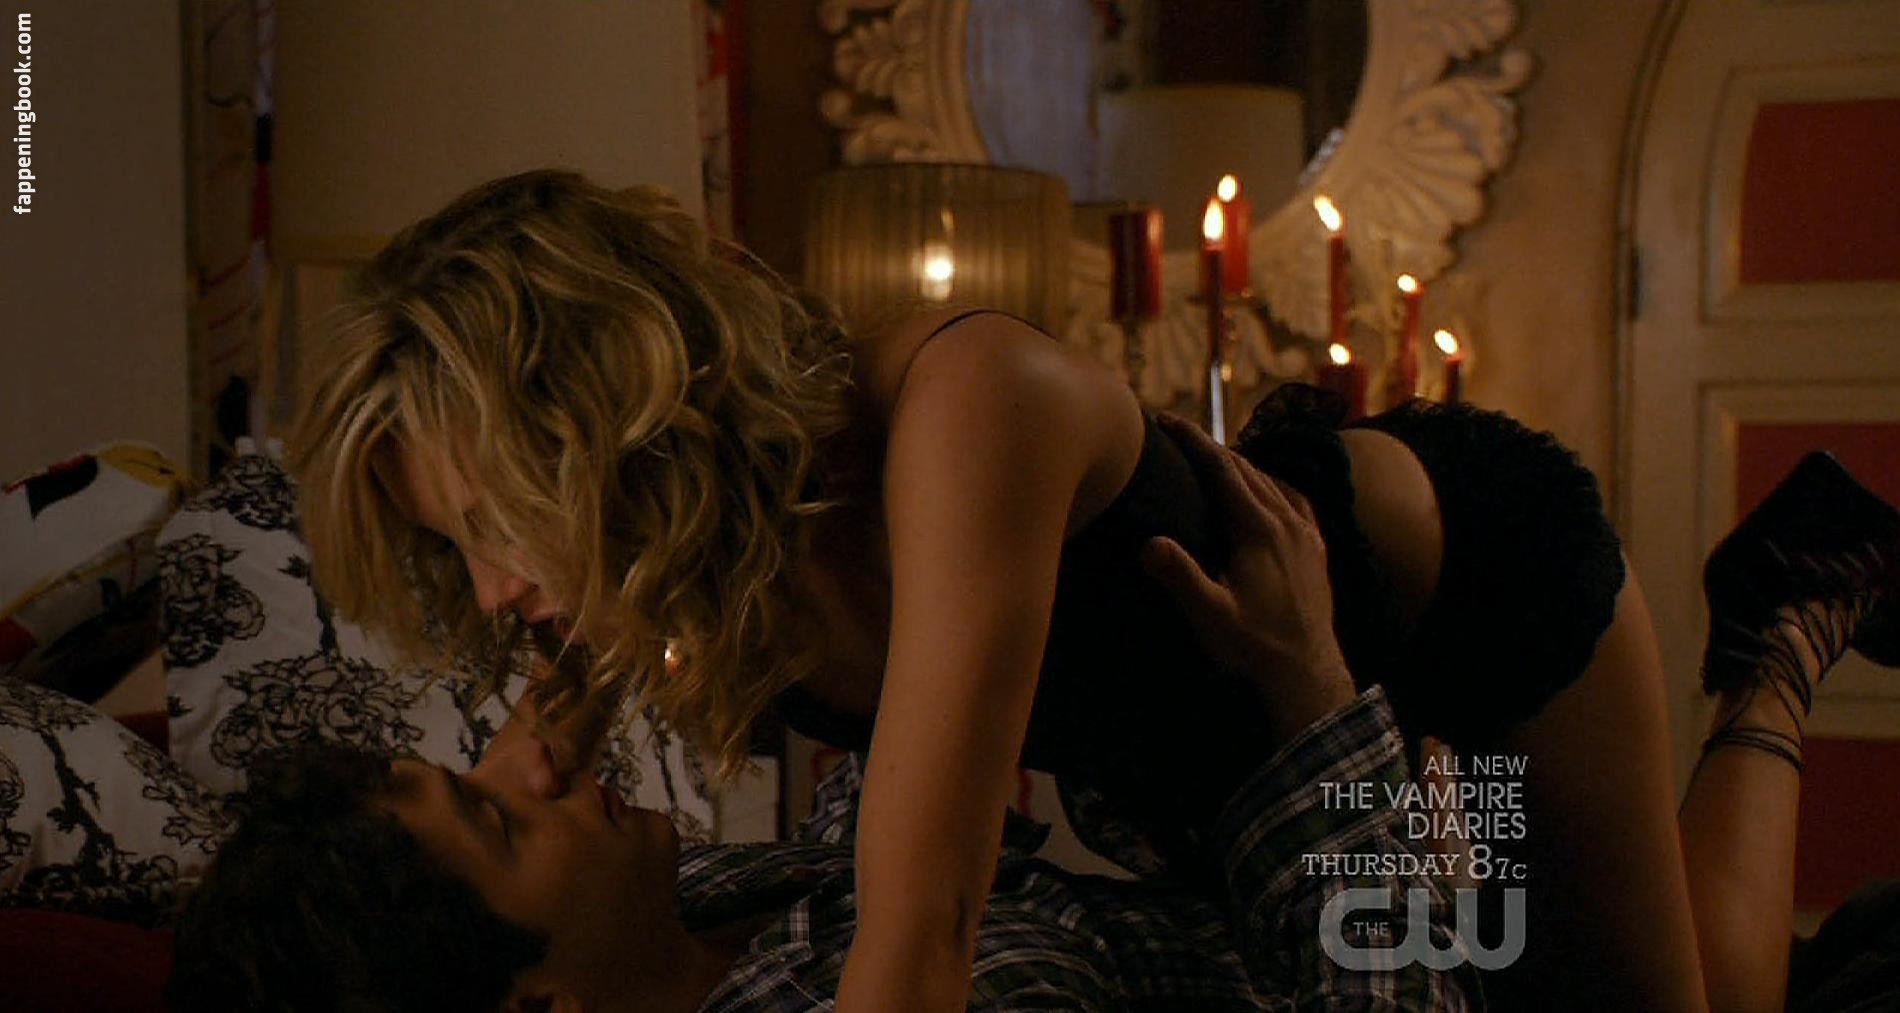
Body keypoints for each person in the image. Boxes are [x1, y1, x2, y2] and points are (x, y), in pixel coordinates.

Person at [285, 168, 1895, 1010]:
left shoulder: (961, 409)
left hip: (1460, 618)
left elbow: (917, 945)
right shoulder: (683, 568)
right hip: (1274, 775)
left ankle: (1777, 631)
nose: (496, 585)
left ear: (604, 430)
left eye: (496, 520)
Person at [168, 427, 1483, 1011]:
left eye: (477, 771)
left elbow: (883, 798)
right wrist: (1314, 695)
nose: (535, 767)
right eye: (502, 821)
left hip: (1255, 832)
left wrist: (607, 601)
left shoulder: (680, 916)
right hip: (1410, 924)